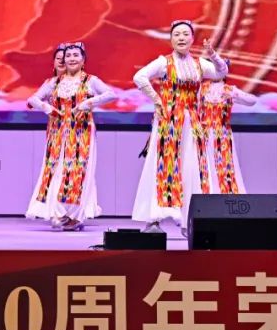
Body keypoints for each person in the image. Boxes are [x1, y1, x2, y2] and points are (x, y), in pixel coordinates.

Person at [131, 20, 228, 234]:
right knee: (163, 165)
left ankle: (188, 220)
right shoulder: (163, 62)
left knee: (192, 166)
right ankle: (154, 219)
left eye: (185, 34)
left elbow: (221, 73)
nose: (181, 38)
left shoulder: (200, 64)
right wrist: (156, 99)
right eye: (177, 34)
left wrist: (213, 54)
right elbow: (139, 77)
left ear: (192, 39)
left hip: (192, 121)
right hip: (168, 121)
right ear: (171, 39)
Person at [25, 42, 115, 230]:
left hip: (81, 131)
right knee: (55, 170)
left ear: (83, 60)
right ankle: (58, 212)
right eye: (68, 56)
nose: (72, 58)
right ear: (63, 60)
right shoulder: (54, 82)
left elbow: (110, 94)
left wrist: (88, 103)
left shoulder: (90, 80)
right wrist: (46, 107)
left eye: (76, 55)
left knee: (78, 171)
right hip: (57, 132)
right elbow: (32, 99)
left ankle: (76, 215)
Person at [200, 66, 257, 194]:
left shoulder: (229, 89)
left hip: (223, 134)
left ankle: (225, 193)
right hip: (204, 134)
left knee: (225, 165)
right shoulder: (201, 89)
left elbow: (252, 100)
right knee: (205, 164)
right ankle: (207, 194)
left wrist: (233, 95)